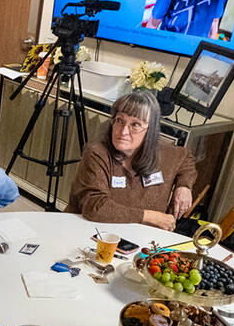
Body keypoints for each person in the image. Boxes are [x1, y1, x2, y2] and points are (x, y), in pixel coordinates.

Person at [68, 90, 197, 230]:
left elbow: (186, 159)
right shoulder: (97, 154)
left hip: (140, 240)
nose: (123, 131)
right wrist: (150, 217)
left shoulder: (165, 153)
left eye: (135, 125)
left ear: (150, 130)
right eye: (119, 120)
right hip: (90, 233)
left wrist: (184, 186)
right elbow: (96, 207)